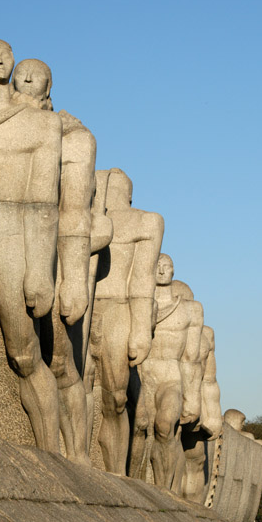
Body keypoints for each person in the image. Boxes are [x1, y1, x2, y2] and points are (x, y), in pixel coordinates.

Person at [0, 39, 62, 452]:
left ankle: (53, 454)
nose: (2, 56)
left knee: (23, 353)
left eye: (7, 51)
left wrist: (40, 268)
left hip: (12, 243)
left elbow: (43, 204)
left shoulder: (40, 124)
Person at [12, 58, 98, 463]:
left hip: (56, 254)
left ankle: (78, 456)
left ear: (49, 86)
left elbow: (76, 212)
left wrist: (75, 278)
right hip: (3, 248)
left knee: (62, 362)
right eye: (21, 71)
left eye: (37, 73)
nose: (26, 76)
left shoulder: (74, 136)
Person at [89, 169, 164, 475]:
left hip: (119, 308)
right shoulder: (85, 214)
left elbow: (143, 280)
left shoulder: (146, 221)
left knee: (115, 397)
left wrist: (141, 331)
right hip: (87, 305)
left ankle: (116, 472)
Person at [139, 255, 203, 490]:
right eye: (157, 266)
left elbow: (191, 358)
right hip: (144, 373)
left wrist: (193, 398)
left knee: (165, 427)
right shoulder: (139, 303)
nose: (162, 271)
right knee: (142, 429)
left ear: (174, 271)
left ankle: (165, 489)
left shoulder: (191, 310)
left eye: (167, 267)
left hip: (171, 376)